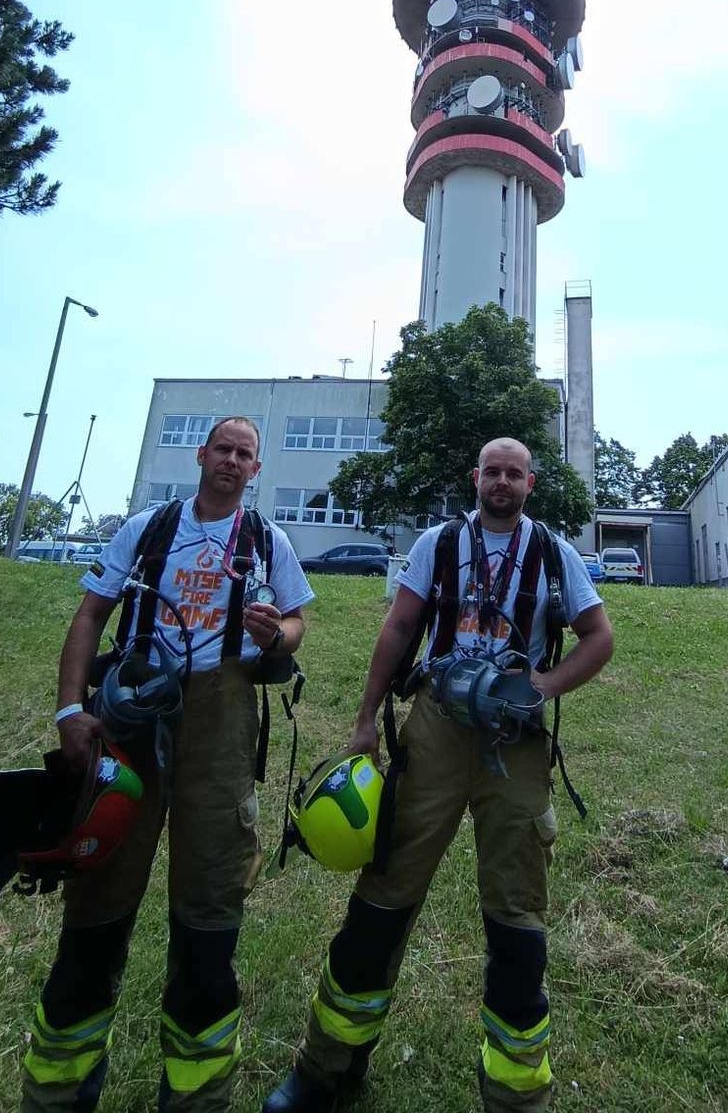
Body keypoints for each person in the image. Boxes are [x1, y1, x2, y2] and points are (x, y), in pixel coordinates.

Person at [265, 437, 613, 1113]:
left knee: (517, 916)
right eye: (492, 471)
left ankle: (515, 1098)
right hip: (433, 730)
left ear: (530, 483)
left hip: (514, 745)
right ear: (475, 477)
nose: (503, 481)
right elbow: (399, 629)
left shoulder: (552, 554)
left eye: (515, 473)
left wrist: (542, 685)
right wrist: (366, 719)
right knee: (383, 894)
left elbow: (599, 636)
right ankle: (326, 1069)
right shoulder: (439, 544)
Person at [22, 415, 314, 1113]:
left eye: (246, 453)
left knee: (210, 898)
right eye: (223, 449)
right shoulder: (148, 530)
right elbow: (91, 615)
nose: (233, 461)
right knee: (101, 887)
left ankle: (195, 1096)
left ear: (256, 470)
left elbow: (300, 622)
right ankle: (58, 1092)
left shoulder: (268, 541)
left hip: (224, 722)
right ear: (201, 455)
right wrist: (69, 712)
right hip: (132, 718)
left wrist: (281, 633)